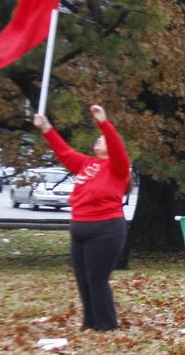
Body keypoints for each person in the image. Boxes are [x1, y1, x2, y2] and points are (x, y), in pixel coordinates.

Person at [33, 105, 130, 331]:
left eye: (102, 140)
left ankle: (106, 326)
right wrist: (47, 128)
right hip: (79, 229)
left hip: (106, 230)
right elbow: (64, 152)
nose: (98, 141)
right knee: (84, 280)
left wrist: (104, 124)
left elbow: (118, 148)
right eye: (97, 139)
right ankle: (90, 323)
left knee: (97, 279)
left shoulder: (118, 167)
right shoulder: (88, 164)